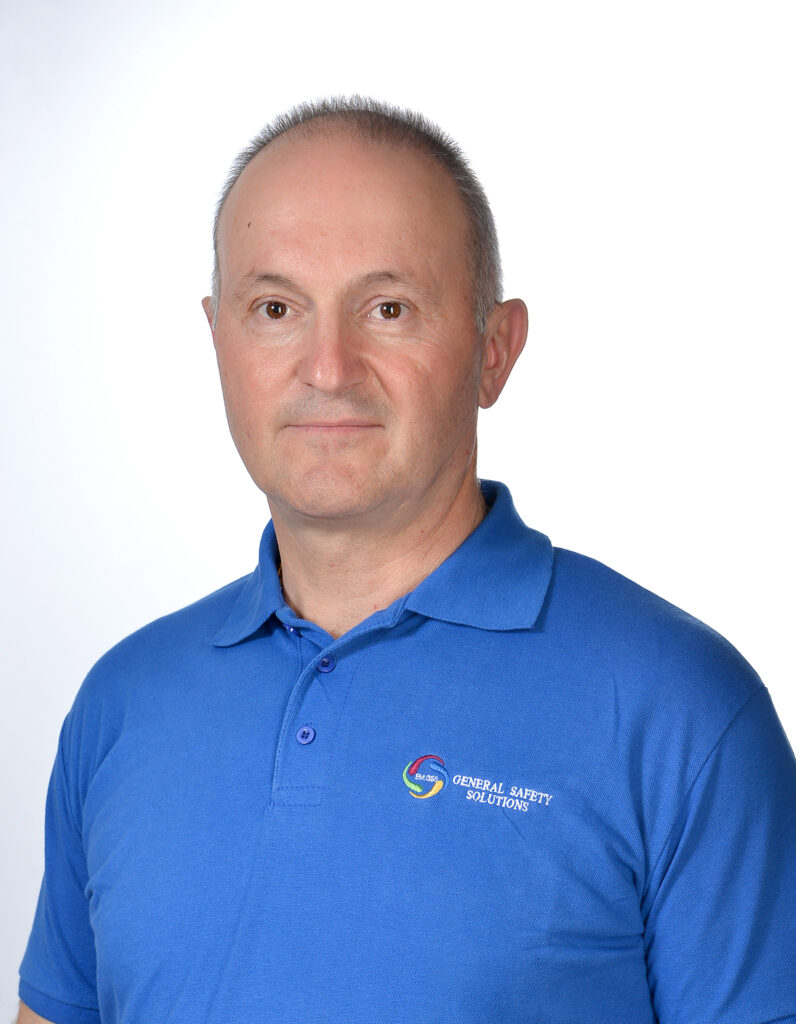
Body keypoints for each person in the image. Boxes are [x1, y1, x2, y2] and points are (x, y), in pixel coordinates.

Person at [17, 97, 796, 1024]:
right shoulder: (124, 701)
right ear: (218, 338)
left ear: (494, 351)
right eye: (275, 308)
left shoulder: (679, 708)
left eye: (388, 309)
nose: (328, 368)